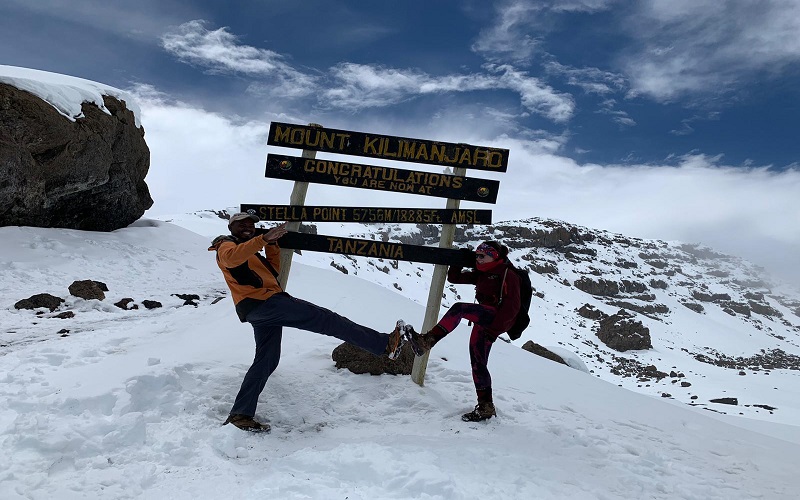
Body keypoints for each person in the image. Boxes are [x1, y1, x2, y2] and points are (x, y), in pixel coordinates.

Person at [209, 212, 407, 433]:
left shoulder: (249, 249)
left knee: (267, 360)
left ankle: (240, 414)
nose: (247, 226)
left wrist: (271, 245)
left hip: (259, 309)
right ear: (231, 227)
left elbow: (273, 272)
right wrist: (262, 240)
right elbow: (231, 258)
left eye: (251, 224)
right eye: (241, 224)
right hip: (266, 303)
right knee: (327, 320)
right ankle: (385, 344)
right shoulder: (226, 246)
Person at [406, 241, 521, 422]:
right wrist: (459, 259)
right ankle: (486, 407)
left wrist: (494, 330)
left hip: (493, 318)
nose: (478, 259)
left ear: (495, 256)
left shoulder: (508, 274)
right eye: (477, 255)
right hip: (483, 322)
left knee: (459, 308)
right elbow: (455, 278)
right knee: (478, 363)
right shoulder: (482, 272)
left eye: (482, 256)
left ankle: (427, 341)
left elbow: (512, 308)